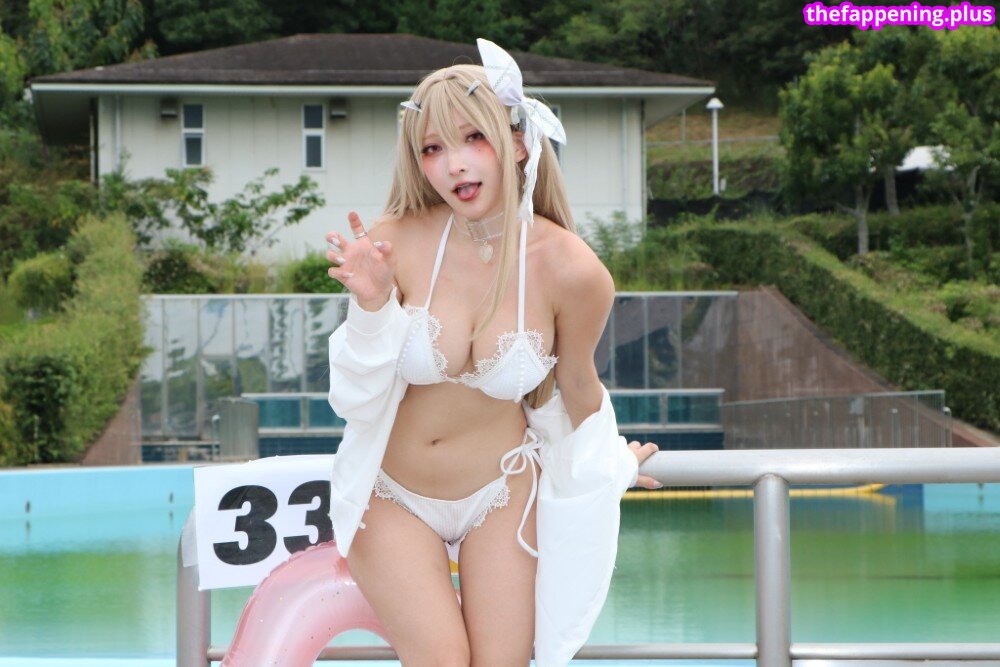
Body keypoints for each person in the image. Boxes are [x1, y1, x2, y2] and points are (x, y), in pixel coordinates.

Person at [324, 38, 661, 667]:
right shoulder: (394, 243)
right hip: (391, 493)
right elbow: (351, 398)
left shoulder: (572, 269)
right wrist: (371, 307)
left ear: (520, 141)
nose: (453, 165)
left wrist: (608, 462)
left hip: (504, 493)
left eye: (473, 138)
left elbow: (576, 386)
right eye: (432, 149)